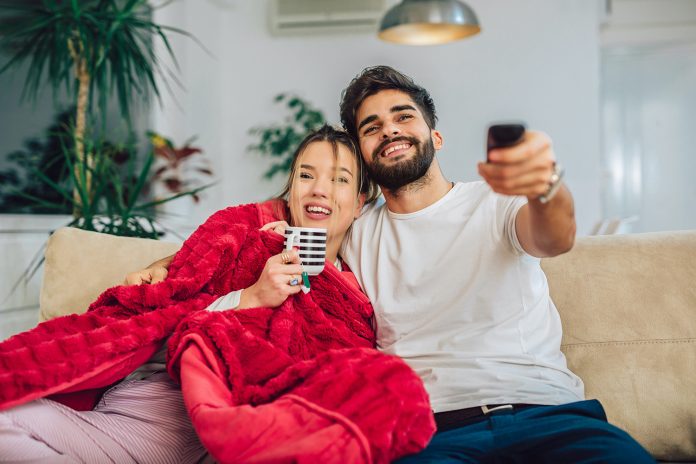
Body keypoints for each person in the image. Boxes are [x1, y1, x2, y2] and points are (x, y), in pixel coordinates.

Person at [0, 125, 434, 463]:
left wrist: (254, 301)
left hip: (168, 417)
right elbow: (176, 300)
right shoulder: (246, 235)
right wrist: (225, 279)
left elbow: (313, 379)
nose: (318, 189)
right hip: (114, 393)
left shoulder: (351, 297)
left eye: (339, 180)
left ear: (360, 202)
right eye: (306, 175)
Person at [335, 65, 655, 463]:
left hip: (548, 414)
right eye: (371, 127)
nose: (389, 130)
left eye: (403, 116)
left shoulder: (496, 200)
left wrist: (544, 187)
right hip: (432, 434)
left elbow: (554, 237)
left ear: (436, 137)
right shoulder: (355, 236)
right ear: (362, 155)